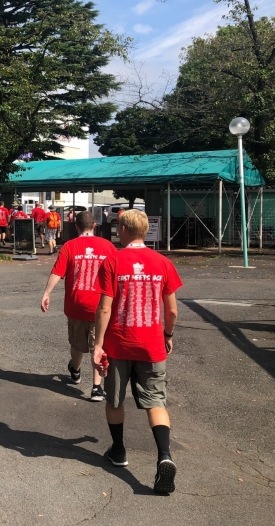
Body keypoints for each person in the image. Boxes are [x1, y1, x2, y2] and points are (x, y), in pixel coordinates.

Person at [92, 209, 183, 494]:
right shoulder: (163, 262)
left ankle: (119, 451)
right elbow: (172, 310)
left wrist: (97, 344)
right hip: (151, 344)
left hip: (119, 343)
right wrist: (167, 335)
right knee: (156, 401)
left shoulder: (113, 261)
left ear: (123, 229)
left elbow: (105, 307)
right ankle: (164, 456)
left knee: (115, 400)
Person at [40, 211, 117, 401]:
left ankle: (75, 369)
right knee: (98, 345)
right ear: (94, 226)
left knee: (76, 343)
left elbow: (58, 272)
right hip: (101, 306)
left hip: (76, 304)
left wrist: (47, 293)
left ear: (76, 227)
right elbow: (118, 274)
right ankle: (96, 388)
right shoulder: (108, 246)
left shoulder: (69, 246)